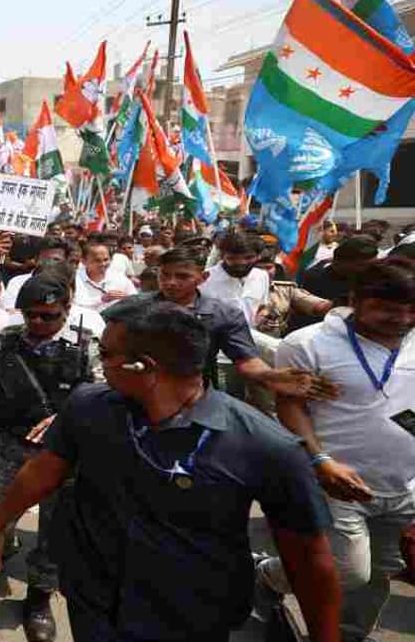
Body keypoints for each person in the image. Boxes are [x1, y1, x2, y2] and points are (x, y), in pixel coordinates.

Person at [0, 299, 342, 641]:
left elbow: (310, 563)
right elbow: (44, 471)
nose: (99, 362)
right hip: (93, 598)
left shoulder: (267, 447)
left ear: (143, 367)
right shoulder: (88, 407)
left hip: (189, 616)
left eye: (106, 354)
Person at [258, 258, 415, 642]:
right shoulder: (307, 343)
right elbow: (289, 405)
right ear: (355, 300)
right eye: (388, 311)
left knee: (379, 571)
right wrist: (320, 461)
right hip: (335, 479)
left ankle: (347, 635)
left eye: (412, 311)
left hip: (403, 485)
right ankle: (266, 575)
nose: (403, 320)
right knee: (347, 568)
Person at [0, 274, 101, 641]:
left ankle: (39, 597)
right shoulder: (8, 340)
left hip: (63, 455)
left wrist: (64, 418)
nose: (38, 323)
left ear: (66, 311)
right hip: (12, 443)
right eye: (31, 315)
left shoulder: (86, 345)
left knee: (54, 531)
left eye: (48, 316)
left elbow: (104, 397)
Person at [134, 247, 336, 401]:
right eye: (165, 275)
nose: (171, 282)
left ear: (203, 278)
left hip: (198, 396)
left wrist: (271, 375)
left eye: (182, 276)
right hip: (140, 392)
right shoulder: (132, 310)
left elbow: (246, 360)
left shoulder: (223, 315)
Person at [295, 236, 380, 332]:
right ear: (340, 262)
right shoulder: (314, 278)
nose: (371, 270)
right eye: (363, 265)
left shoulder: (373, 280)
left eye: (374, 264)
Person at [200, 230, 271, 325]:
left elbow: (262, 307)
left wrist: (263, 319)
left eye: (248, 258)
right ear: (222, 256)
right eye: (232, 258)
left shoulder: (262, 276)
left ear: (258, 256)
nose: (241, 263)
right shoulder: (205, 279)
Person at [72, 240, 136, 315]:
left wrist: (127, 300)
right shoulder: (74, 279)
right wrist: (101, 299)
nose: (103, 264)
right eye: (97, 260)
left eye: (106, 260)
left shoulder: (119, 278)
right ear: (83, 261)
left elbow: (135, 300)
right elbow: (74, 304)